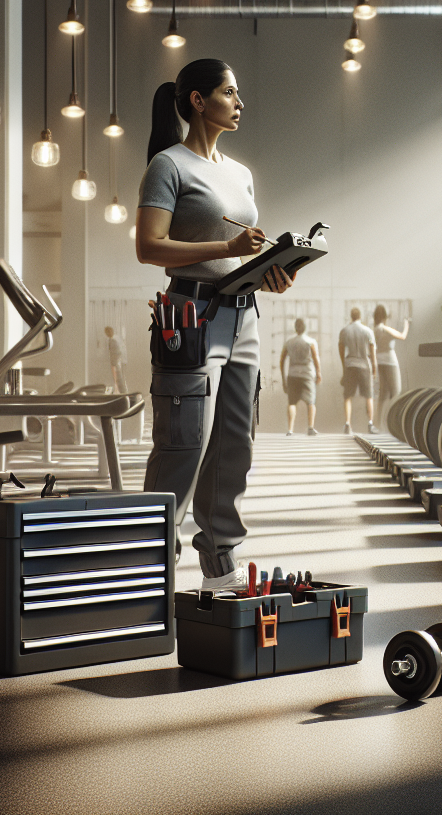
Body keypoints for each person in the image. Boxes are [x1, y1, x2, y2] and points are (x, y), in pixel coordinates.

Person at [136, 59, 294, 591]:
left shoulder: (241, 172)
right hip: (191, 317)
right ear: (199, 101)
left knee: (235, 445)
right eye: (230, 92)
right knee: (185, 446)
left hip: (244, 313)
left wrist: (267, 271)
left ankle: (219, 566)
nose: (240, 103)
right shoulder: (168, 165)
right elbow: (148, 246)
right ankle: (148, 570)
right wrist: (227, 247)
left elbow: (239, 254)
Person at [338, 307, 377, 435]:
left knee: (347, 397)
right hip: (364, 365)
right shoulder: (367, 331)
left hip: (350, 364)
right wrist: (374, 368)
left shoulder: (344, 331)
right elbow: (372, 352)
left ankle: (348, 424)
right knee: (369, 396)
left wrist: (344, 366)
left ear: (351, 316)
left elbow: (341, 348)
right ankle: (370, 424)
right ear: (360, 316)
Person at [280, 317, 321, 436]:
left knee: (292, 402)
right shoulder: (311, 342)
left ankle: (290, 429)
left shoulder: (289, 342)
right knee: (311, 401)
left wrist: (283, 378)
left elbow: (282, 360)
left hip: (292, 374)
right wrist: (318, 372)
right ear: (305, 328)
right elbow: (315, 358)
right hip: (307, 374)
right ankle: (310, 427)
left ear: (295, 328)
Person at [373, 305, 409, 422]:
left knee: (383, 393)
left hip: (379, 361)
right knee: (396, 391)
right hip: (390, 361)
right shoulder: (384, 328)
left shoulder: (374, 330)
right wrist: (406, 324)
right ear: (384, 316)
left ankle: (379, 421)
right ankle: (395, 421)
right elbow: (402, 336)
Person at [104, 326, 128, 394]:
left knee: (119, 379)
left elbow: (117, 352)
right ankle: (121, 392)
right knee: (118, 379)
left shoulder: (114, 340)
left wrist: (114, 363)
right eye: (106, 332)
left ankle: (123, 393)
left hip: (118, 362)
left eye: (108, 331)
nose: (108, 333)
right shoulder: (113, 339)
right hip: (117, 362)